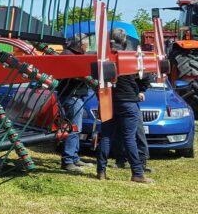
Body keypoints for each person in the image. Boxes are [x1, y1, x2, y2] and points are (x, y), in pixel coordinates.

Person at [96, 28, 153, 183]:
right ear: (124, 40)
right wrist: (141, 90)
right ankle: (137, 173)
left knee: (106, 136)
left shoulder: (102, 58)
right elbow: (145, 75)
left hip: (108, 100)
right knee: (129, 137)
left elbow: (96, 81)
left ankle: (101, 171)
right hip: (128, 101)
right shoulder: (130, 57)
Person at [59, 33, 93, 173]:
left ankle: (74, 157)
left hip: (75, 95)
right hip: (71, 96)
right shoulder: (69, 56)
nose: (87, 47)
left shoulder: (71, 54)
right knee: (73, 128)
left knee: (76, 128)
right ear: (80, 45)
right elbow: (76, 75)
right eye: (86, 44)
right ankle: (68, 161)